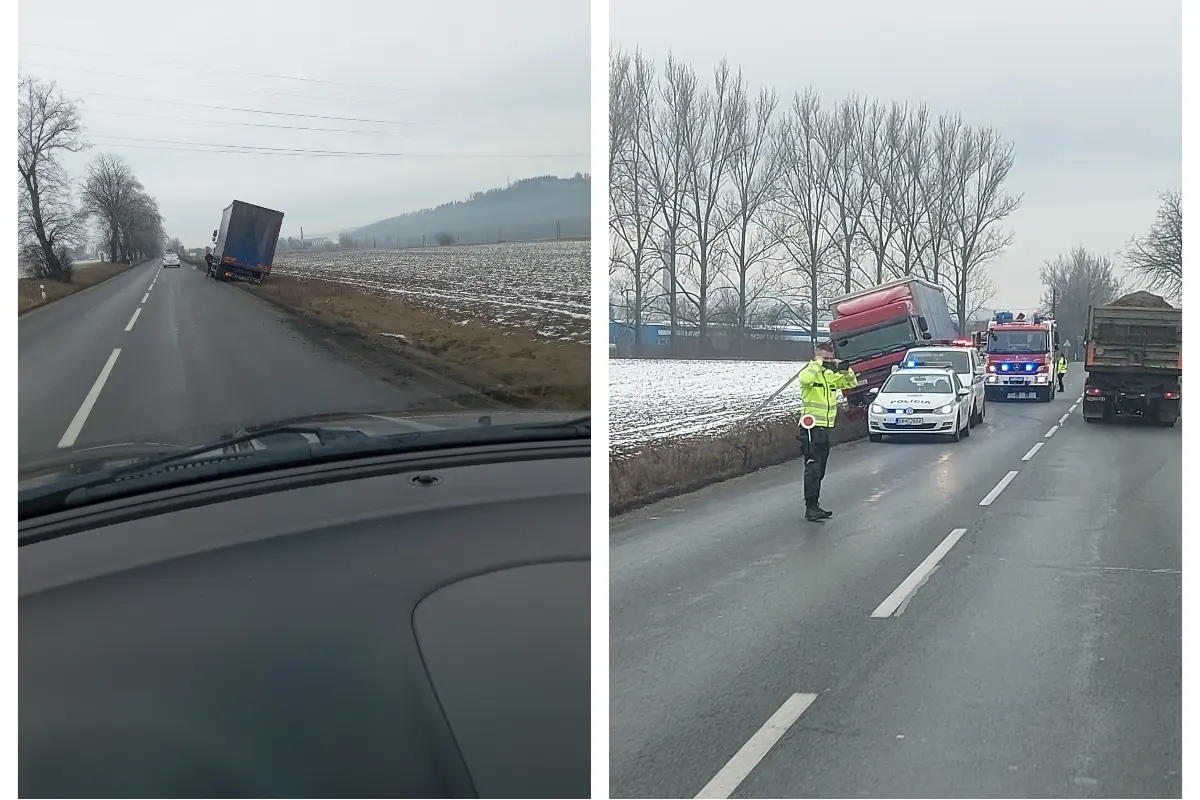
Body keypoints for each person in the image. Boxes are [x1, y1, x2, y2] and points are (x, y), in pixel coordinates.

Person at [797, 342, 858, 522]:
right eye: (826, 358)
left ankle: (814, 504)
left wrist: (845, 369)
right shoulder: (810, 371)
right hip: (810, 428)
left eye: (831, 358)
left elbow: (851, 383)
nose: (829, 362)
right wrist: (817, 363)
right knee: (813, 468)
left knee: (820, 470)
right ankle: (811, 507)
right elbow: (805, 380)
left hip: (825, 428)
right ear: (816, 357)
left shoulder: (829, 376)